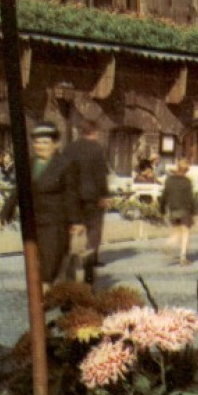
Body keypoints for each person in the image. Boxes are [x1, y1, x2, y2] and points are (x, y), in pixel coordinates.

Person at [0, 123, 86, 285]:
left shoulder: (65, 164)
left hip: (55, 222)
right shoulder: (30, 163)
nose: (40, 146)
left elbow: (71, 194)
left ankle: (49, 294)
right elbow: (19, 189)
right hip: (33, 222)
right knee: (36, 262)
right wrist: (6, 211)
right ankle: (45, 295)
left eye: (45, 142)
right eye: (37, 142)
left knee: (50, 263)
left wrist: (76, 220)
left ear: (55, 144)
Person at [62, 120, 111, 284]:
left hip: (72, 198)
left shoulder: (69, 148)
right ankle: (89, 274)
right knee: (93, 233)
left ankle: (70, 274)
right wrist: (104, 195)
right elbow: (100, 175)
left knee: (73, 234)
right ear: (94, 132)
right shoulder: (96, 149)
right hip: (92, 199)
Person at [161, 158, 197, 266]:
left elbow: (165, 195)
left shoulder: (169, 180)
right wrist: (193, 211)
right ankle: (182, 257)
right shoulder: (187, 181)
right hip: (184, 209)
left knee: (177, 231)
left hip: (173, 209)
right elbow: (190, 198)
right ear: (186, 170)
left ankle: (168, 243)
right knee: (185, 232)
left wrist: (162, 208)